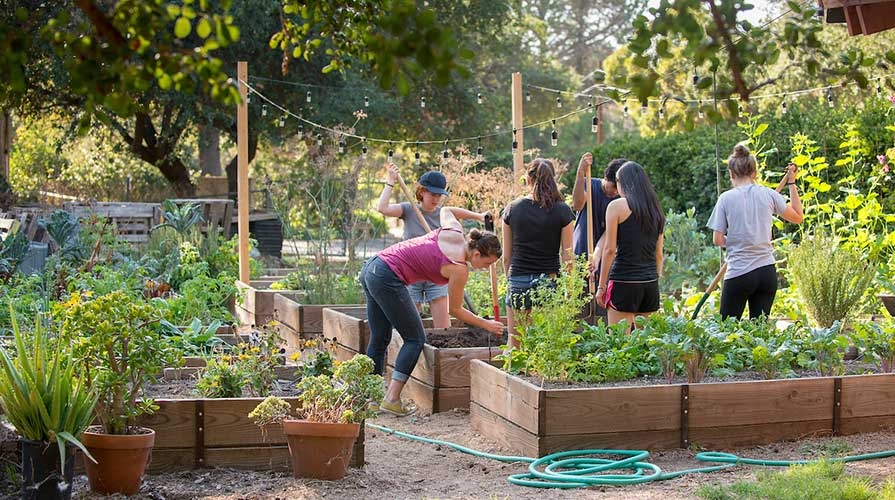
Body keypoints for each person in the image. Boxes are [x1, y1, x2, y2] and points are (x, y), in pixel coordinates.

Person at [361, 206, 503, 416]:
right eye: (487, 263)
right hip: (387, 277)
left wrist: (478, 216)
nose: (485, 268)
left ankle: (370, 398)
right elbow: (455, 310)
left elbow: (447, 209)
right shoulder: (459, 268)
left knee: (381, 336)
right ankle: (391, 399)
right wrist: (487, 324)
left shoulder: (453, 231)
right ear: (476, 253)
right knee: (415, 338)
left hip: (372, 267)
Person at [377, 165, 486, 328]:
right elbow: (382, 208)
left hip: (437, 273)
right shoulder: (409, 209)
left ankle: (441, 354)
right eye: (432, 194)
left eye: (439, 195)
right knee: (407, 325)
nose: (436, 199)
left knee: (444, 327)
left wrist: (478, 216)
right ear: (422, 192)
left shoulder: (442, 214)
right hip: (411, 272)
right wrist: (390, 181)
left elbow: (455, 212)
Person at [707, 144, 803, 320]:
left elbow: (718, 239)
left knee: (727, 330)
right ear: (755, 173)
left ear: (731, 173)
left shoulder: (726, 199)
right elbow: (797, 216)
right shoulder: (768, 195)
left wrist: (736, 241)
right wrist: (792, 182)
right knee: (759, 334)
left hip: (739, 273)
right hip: (766, 272)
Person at [502, 158, 575, 349]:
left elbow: (507, 256)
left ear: (528, 178)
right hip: (548, 282)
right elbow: (567, 255)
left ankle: (511, 377)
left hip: (518, 279)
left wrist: (509, 280)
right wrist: (570, 287)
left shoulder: (512, 209)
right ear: (553, 178)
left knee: (515, 343)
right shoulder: (562, 211)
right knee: (547, 344)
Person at [597, 161, 665, 327]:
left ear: (623, 183)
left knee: (620, 344)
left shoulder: (616, 207)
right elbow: (659, 254)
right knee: (646, 345)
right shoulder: (655, 210)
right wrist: (653, 277)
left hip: (623, 282)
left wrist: (601, 286)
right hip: (649, 284)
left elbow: (609, 250)